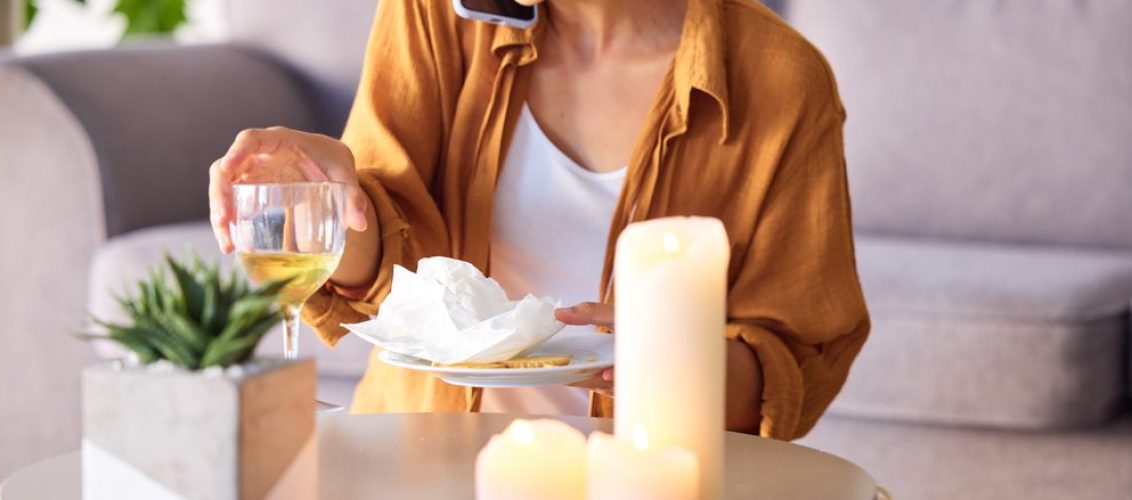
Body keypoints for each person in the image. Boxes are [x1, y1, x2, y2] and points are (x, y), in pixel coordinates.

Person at [207, 0, 869, 440]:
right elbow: (388, 287)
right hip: (421, 463)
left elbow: (794, 368)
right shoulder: (437, 15)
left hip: (637, 476)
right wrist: (336, 197)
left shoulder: (781, 82)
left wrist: (676, 357)